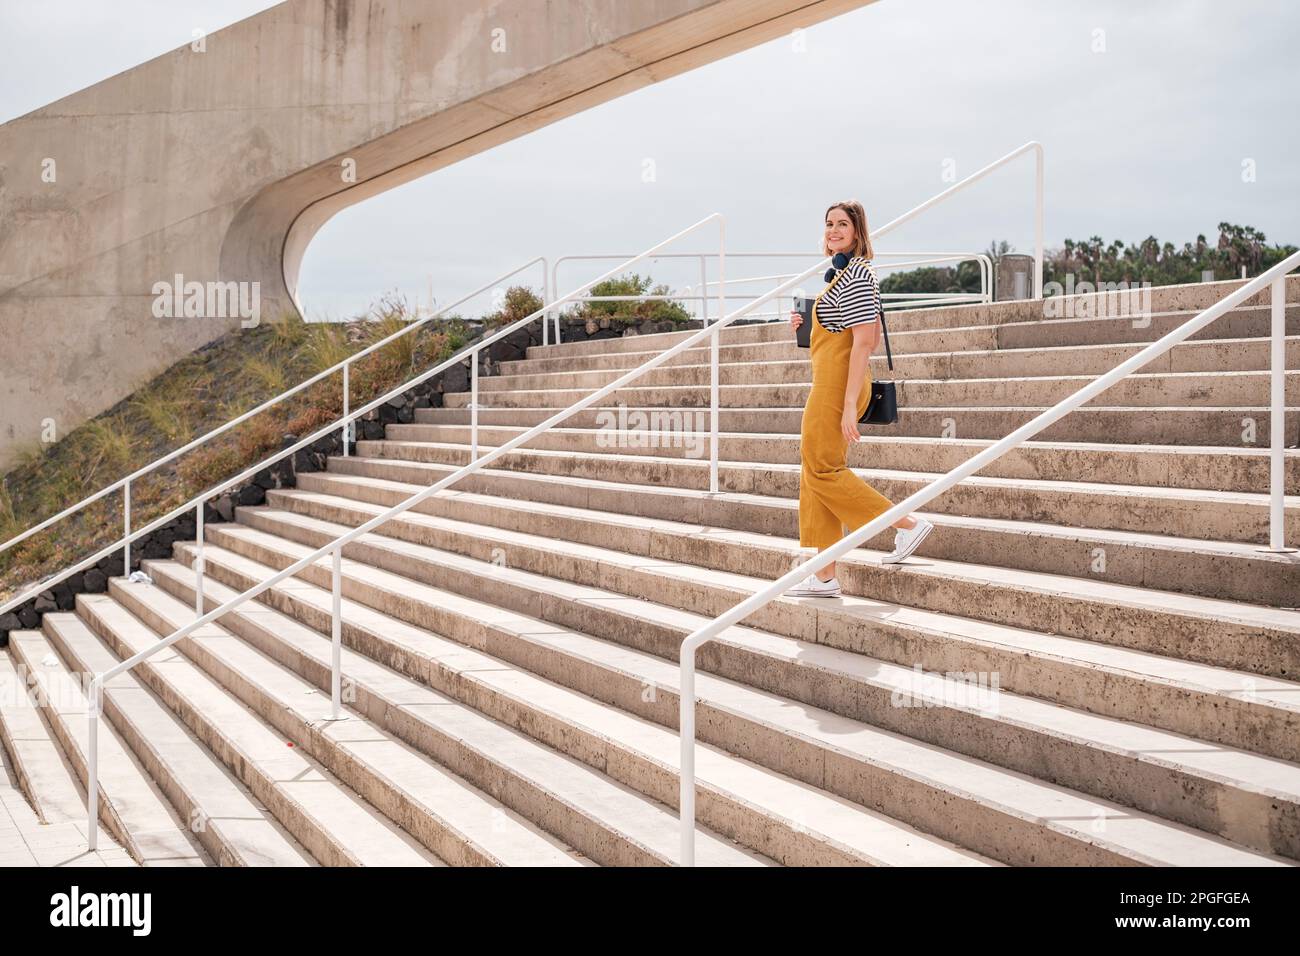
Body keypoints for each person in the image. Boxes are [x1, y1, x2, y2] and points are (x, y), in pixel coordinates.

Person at [784, 200, 934, 598]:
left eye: (842, 225)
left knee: (824, 470)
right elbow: (836, 334)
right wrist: (805, 324)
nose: (833, 230)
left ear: (857, 232)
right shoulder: (838, 275)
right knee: (815, 470)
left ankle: (906, 524)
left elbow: (865, 342)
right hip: (828, 379)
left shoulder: (858, 274)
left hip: (838, 385)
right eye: (829, 224)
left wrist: (850, 404)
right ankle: (824, 575)